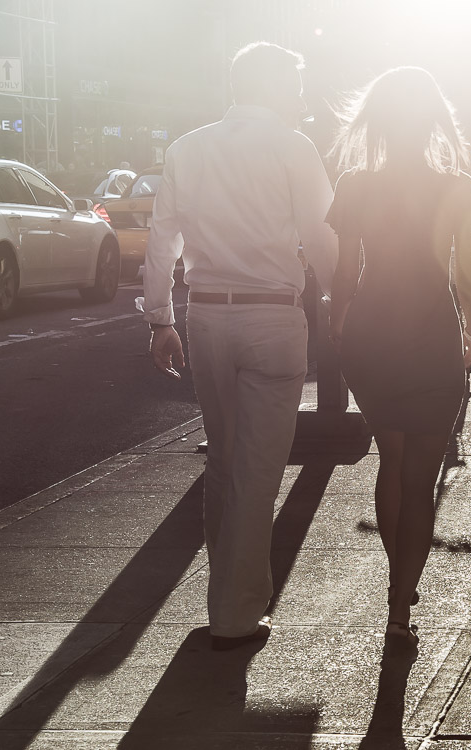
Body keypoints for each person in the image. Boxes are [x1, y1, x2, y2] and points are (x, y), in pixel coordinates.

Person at [137, 42, 338, 651]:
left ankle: (225, 598)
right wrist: (340, 299)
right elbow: (321, 234)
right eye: (297, 87)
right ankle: (234, 614)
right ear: (276, 88)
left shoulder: (187, 148)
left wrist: (158, 320)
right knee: (257, 471)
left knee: (223, 461)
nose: (302, 99)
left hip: (205, 318)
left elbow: (162, 237)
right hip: (273, 317)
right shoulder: (294, 147)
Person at [327, 66, 471, 661]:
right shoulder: (458, 186)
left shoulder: (355, 185)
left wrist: (339, 322)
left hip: (371, 331)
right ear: (432, 124)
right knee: (420, 476)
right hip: (431, 331)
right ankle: (401, 604)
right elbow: (464, 274)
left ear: (378, 124)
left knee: (391, 460)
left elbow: (345, 272)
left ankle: (400, 587)